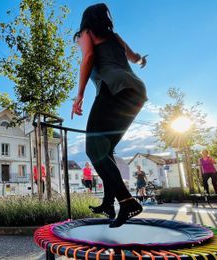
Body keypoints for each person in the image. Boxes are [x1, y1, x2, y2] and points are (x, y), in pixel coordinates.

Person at [72, 3, 148, 228]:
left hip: (113, 89)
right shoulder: (114, 37)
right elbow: (134, 57)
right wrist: (143, 60)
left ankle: (126, 201)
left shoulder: (87, 33)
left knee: (93, 149)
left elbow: (87, 58)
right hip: (136, 92)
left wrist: (80, 96)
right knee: (105, 150)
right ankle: (108, 202)